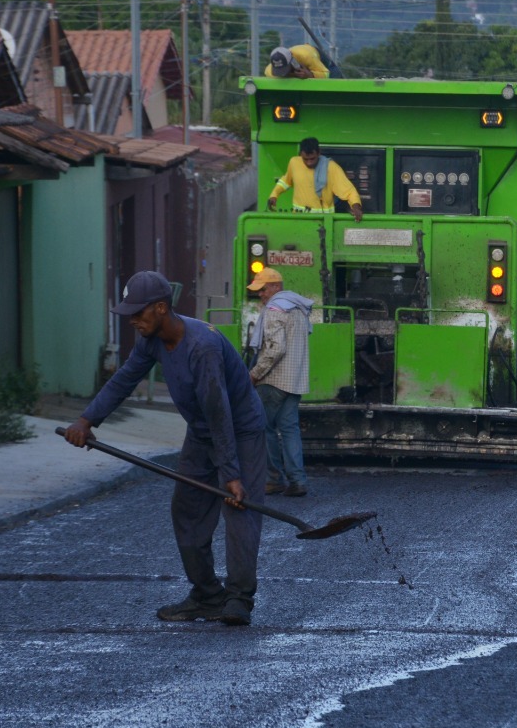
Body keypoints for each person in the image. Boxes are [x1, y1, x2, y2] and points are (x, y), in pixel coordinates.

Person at [62, 271, 268, 626]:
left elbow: (219, 412)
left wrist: (230, 474)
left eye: (138, 313)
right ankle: (207, 595)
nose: (133, 321)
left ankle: (239, 598)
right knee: (187, 510)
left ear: (160, 308)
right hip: (203, 432)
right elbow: (125, 378)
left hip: (241, 431)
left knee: (239, 509)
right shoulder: (152, 339)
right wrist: (87, 420)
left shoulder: (202, 346)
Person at [247, 268, 313, 498]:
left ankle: (272, 479)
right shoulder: (299, 309)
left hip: (273, 380)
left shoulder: (275, 310)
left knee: (263, 428)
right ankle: (297, 481)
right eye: (258, 291)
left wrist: (254, 374)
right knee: (290, 430)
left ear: (276, 287)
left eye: (263, 289)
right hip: (295, 380)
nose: (261, 295)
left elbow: (275, 349)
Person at [267, 137, 365, 223]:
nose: (309, 163)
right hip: (299, 220)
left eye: (312, 159)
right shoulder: (294, 163)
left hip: (324, 221)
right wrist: (274, 195)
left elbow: (349, 191)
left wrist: (356, 207)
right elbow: (285, 181)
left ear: (319, 153)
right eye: (305, 159)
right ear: (300, 154)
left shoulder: (331, 168)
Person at [264, 45, 329, 79]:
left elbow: (326, 74)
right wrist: (294, 75)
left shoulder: (306, 55)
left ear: (292, 61)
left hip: (317, 55)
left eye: (284, 70)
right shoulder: (268, 71)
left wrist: (310, 75)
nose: (283, 75)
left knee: (335, 76)